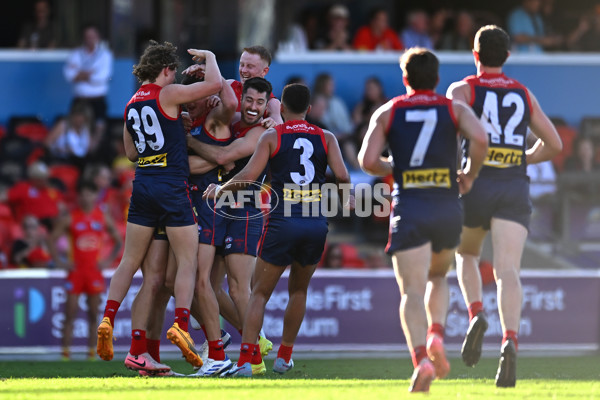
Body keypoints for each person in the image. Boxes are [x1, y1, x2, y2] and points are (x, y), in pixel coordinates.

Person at [359, 47, 488, 393]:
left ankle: (422, 361)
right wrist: (469, 174)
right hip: (447, 206)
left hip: (410, 207)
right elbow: (481, 139)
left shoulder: (388, 111)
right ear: (437, 79)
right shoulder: (454, 108)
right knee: (438, 276)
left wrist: (394, 166)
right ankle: (436, 334)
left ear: (405, 79)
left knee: (411, 292)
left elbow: (367, 160)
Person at [95, 41, 223, 373]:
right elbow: (214, 85)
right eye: (174, 72)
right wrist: (209, 57)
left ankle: (110, 319)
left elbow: (132, 153)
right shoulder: (166, 94)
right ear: (166, 69)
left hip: (143, 188)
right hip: (171, 187)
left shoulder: (130, 104)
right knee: (187, 262)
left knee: (132, 264)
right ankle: (181, 323)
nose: (175, 77)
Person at [447, 25, 563, 387]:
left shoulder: (463, 89)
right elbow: (555, 144)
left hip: (476, 183)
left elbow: (447, 134)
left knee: (466, 255)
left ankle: (476, 313)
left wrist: (457, 171)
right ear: (508, 56)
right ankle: (509, 340)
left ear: (475, 53)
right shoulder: (522, 93)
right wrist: (524, 157)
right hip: (513, 186)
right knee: (508, 270)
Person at [210, 83, 351, 377]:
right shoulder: (326, 137)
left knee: (259, 292)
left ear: (282, 108)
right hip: (315, 221)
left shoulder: (273, 136)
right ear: (309, 110)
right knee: (299, 289)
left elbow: (249, 175)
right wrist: (346, 197)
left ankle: (247, 361)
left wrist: (221, 189)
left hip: (283, 221)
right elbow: (342, 175)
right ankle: (285, 357)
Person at [186, 77, 274, 375]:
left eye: (261, 103)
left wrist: (187, 140)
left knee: (238, 289)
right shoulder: (235, 124)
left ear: (267, 106)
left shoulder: (262, 131)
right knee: (208, 285)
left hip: (245, 210)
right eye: (249, 100)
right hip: (220, 208)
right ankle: (249, 344)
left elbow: (223, 156)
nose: (253, 107)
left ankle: (253, 357)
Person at [48, 180, 122, 361]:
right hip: (76, 272)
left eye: (90, 194)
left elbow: (118, 240)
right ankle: (65, 354)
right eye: (83, 194)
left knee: (93, 314)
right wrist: (59, 261)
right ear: (79, 196)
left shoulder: (102, 217)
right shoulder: (71, 217)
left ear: (96, 196)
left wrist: (107, 260)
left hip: (94, 272)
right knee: (70, 313)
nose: (86, 197)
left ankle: (91, 354)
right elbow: (51, 239)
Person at [63, 24, 113, 158]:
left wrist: (80, 74)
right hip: (80, 99)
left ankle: (94, 154)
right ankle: (76, 155)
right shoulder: (75, 54)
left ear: (98, 37)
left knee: (99, 128)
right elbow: (69, 75)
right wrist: (89, 74)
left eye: (92, 36)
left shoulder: (105, 55)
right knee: (75, 127)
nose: (90, 39)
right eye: (87, 36)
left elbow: (102, 77)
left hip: (98, 99)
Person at [46, 101, 93, 167]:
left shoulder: (86, 129)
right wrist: (61, 150)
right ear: (73, 116)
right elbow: (47, 143)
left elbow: (88, 149)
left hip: (80, 161)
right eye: (78, 117)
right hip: (62, 159)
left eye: (83, 119)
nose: (80, 121)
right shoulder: (63, 125)